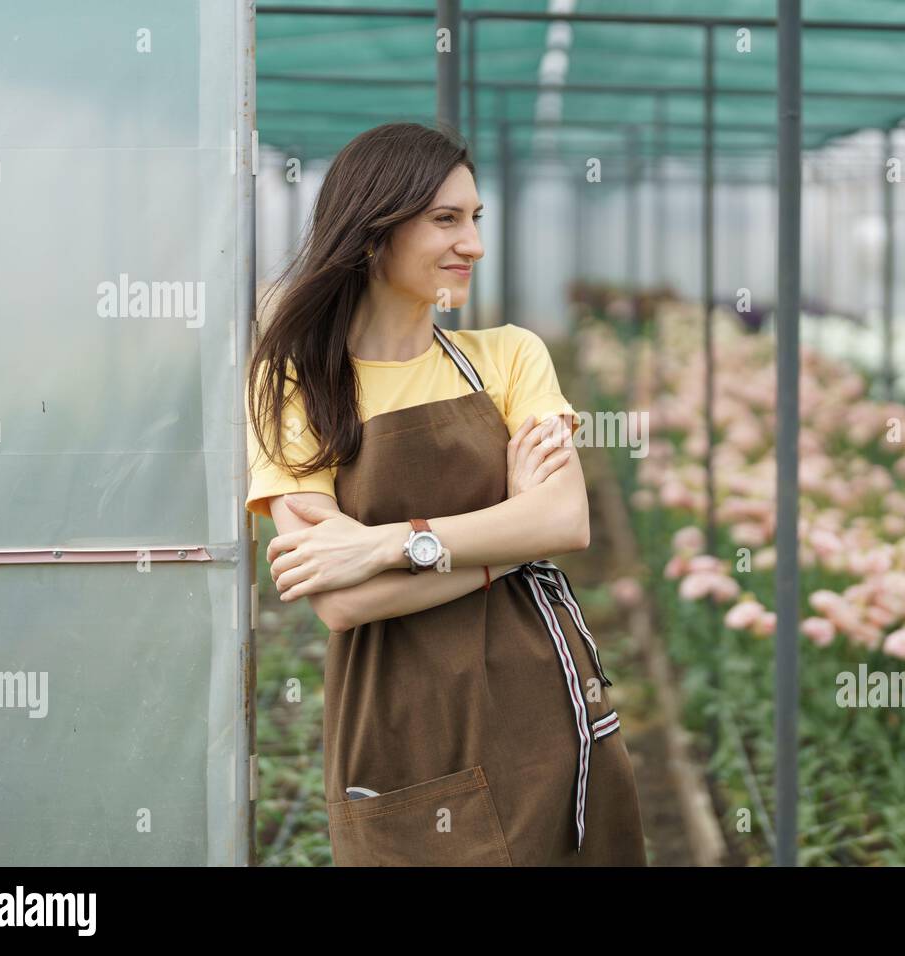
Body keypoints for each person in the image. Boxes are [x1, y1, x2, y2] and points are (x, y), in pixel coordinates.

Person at [243, 122, 648, 866]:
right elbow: (341, 601)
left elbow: (564, 517)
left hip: (541, 705)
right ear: (373, 230)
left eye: (476, 219)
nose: (474, 244)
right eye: (446, 220)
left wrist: (384, 545)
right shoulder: (294, 384)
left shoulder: (509, 355)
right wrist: (507, 547)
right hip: (397, 721)